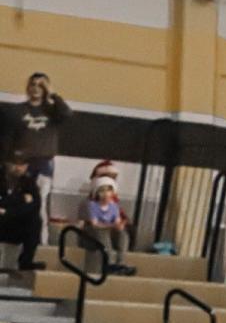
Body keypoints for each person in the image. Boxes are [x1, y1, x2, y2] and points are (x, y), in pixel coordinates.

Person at [2, 72, 72, 243]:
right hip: (18, 164)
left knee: (38, 204)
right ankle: (13, 239)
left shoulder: (52, 112)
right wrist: (7, 162)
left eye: (40, 85)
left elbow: (67, 113)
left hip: (41, 165)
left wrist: (51, 92)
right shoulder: (17, 111)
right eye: (33, 84)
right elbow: (6, 139)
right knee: (16, 203)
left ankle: (39, 243)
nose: (36, 88)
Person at [0, 151, 45, 271]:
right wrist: (21, 199)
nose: (19, 168)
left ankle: (26, 262)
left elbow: (35, 205)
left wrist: (8, 211)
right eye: (15, 163)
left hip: (15, 223)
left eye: (23, 164)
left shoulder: (29, 182)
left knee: (35, 221)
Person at [82, 176, 135, 276]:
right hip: (95, 232)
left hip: (109, 230)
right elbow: (95, 224)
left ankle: (120, 263)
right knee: (102, 232)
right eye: (102, 191)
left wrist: (120, 225)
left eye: (108, 191)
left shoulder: (114, 206)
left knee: (123, 234)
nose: (106, 194)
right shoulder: (93, 205)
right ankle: (109, 263)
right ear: (97, 193)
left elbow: (117, 221)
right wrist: (111, 225)